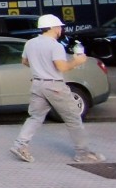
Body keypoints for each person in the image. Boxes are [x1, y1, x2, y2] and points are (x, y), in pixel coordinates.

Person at [9, 14, 105, 164]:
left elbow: (25, 61)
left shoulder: (31, 43)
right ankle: (83, 153)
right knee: (73, 118)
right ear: (54, 28)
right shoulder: (55, 46)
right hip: (54, 85)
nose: (61, 29)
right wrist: (77, 61)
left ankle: (20, 145)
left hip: (37, 84)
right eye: (60, 27)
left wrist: (40, 68)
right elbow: (62, 67)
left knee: (35, 117)